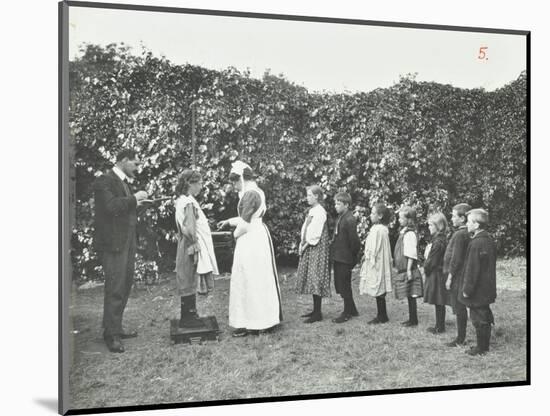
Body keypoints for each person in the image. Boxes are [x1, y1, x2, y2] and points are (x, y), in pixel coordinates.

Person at [92, 149, 149, 353]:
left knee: (125, 284)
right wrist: (135, 198)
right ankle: (111, 335)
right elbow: (110, 207)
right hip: (114, 243)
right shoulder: (104, 181)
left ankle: (116, 327)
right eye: (135, 163)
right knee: (115, 286)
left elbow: (123, 209)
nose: (138, 168)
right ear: (124, 161)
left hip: (127, 241)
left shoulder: (123, 182)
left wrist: (140, 204)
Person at [218, 161, 283, 337]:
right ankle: (264, 320)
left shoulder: (249, 195)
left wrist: (233, 235)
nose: (233, 185)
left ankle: (254, 322)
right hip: (258, 235)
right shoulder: (256, 191)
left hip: (250, 239)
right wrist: (230, 222)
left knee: (249, 278)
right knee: (259, 277)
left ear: (241, 179)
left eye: (235, 181)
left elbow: (245, 224)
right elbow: (250, 217)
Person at [174, 169, 219, 328]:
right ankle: (188, 317)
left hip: (187, 243)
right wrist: (195, 244)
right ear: (189, 184)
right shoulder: (188, 203)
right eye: (199, 183)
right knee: (189, 277)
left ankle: (191, 314)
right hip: (191, 245)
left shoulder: (183, 199)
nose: (201, 186)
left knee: (189, 277)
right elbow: (190, 228)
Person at [458, 208, 497, 356]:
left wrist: (467, 289)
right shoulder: (489, 240)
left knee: (478, 317)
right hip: (487, 287)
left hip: (477, 289)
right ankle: (484, 345)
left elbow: (472, 269)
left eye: (468, 222)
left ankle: (481, 348)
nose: (467, 225)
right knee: (484, 313)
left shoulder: (475, 243)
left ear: (476, 224)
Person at [295, 185, 332, 323]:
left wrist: (305, 245)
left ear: (317, 196)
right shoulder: (312, 210)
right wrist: (302, 243)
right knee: (311, 277)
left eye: (310, 195)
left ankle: (318, 313)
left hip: (316, 248)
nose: (307, 198)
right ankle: (315, 310)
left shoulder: (320, 211)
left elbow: (315, 233)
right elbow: (306, 228)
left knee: (316, 277)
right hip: (310, 246)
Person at [330, 192, 361, 323]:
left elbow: (355, 242)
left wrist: (352, 258)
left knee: (345, 285)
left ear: (346, 205)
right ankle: (352, 309)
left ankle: (347, 312)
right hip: (338, 257)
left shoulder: (349, 219)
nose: (335, 206)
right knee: (341, 284)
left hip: (345, 258)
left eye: (339, 204)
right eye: (335, 203)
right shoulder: (341, 217)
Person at [443, 203, 472, 347]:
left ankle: (460, 338)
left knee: (459, 307)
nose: (451, 218)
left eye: (454, 216)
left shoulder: (460, 234)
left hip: (458, 276)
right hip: (461, 275)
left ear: (462, 218)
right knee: (460, 306)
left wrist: (450, 277)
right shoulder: (465, 233)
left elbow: (456, 259)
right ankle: (461, 336)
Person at [359, 202, 393, 324]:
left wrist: (367, 256)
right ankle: (382, 314)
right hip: (380, 261)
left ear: (380, 216)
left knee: (378, 285)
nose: (370, 216)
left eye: (373, 213)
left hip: (377, 262)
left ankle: (382, 315)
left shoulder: (378, 230)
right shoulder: (382, 229)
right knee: (379, 286)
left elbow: (373, 248)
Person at [393, 206, 423, 327]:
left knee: (411, 294)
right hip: (404, 267)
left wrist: (409, 269)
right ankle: (412, 318)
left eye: (401, 218)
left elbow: (411, 253)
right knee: (409, 293)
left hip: (408, 268)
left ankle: (413, 319)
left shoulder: (410, 234)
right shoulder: (403, 232)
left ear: (409, 219)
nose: (399, 220)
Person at [423, 212, 449, 334]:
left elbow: (432, 260)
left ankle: (440, 327)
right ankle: (439, 324)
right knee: (439, 301)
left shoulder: (438, 241)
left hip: (437, 273)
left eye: (431, 225)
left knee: (439, 300)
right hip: (438, 272)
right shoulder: (440, 239)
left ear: (438, 226)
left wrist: (425, 267)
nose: (429, 227)